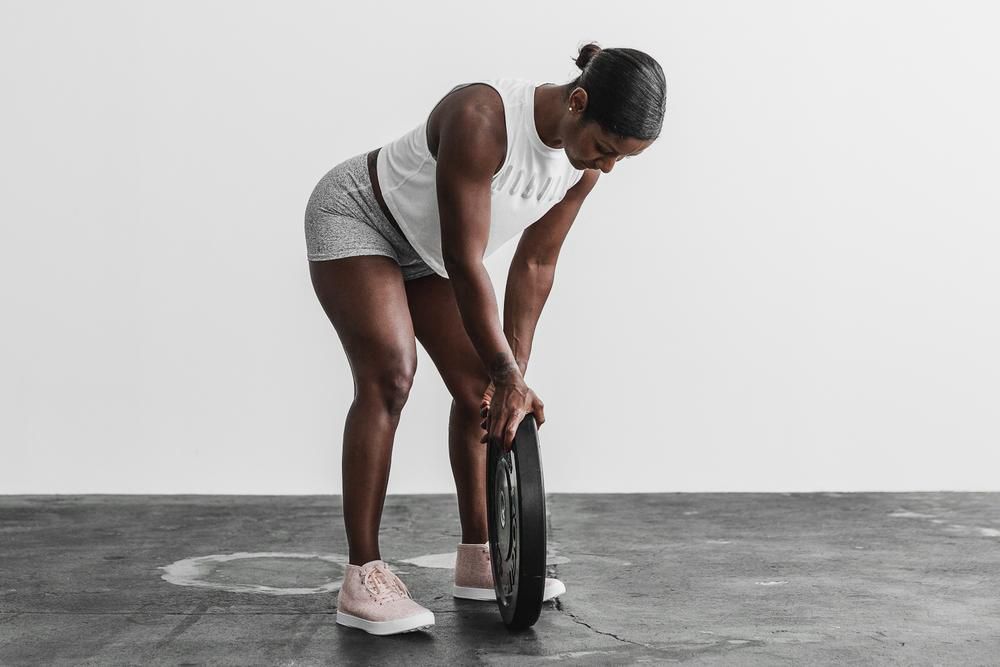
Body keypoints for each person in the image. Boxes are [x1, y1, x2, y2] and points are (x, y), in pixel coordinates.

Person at [303, 41, 666, 636]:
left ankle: (480, 556)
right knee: (391, 375)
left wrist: (511, 376)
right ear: (578, 102)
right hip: (360, 218)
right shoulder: (482, 118)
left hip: (427, 253)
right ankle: (362, 575)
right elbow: (464, 259)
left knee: (484, 394)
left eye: (620, 159)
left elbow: (536, 265)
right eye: (605, 149)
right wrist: (506, 370)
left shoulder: (581, 169)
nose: (606, 168)